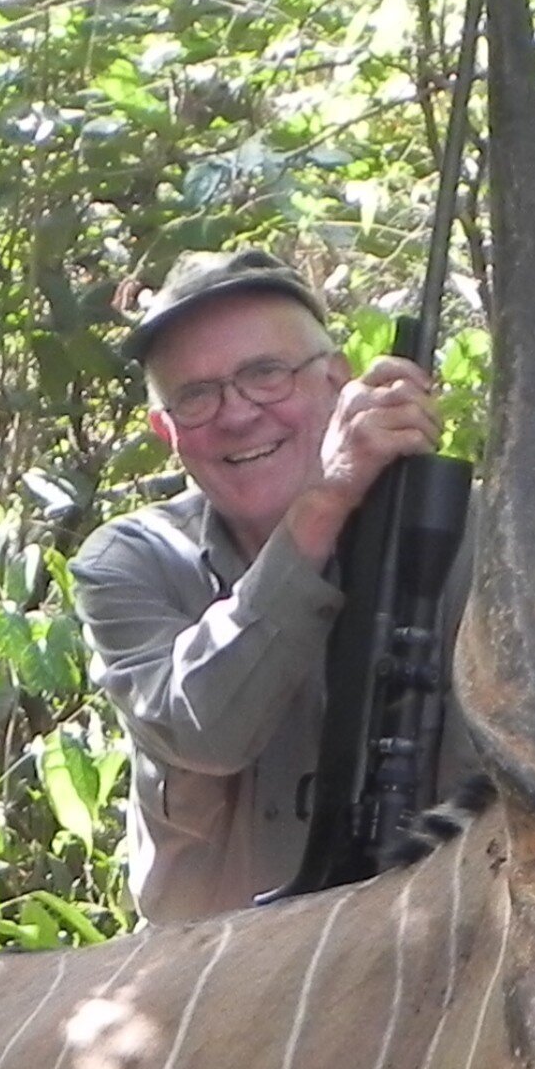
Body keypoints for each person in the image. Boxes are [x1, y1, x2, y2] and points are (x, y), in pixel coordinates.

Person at [67, 247, 443, 922]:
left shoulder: (457, 537)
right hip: (207, 981)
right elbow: (206, 731)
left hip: (442, 945)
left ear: (338, 381)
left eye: (266, 374)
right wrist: (324, 504)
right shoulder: (130, 561)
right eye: (197, 395)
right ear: (166, 430)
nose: (237, 414)